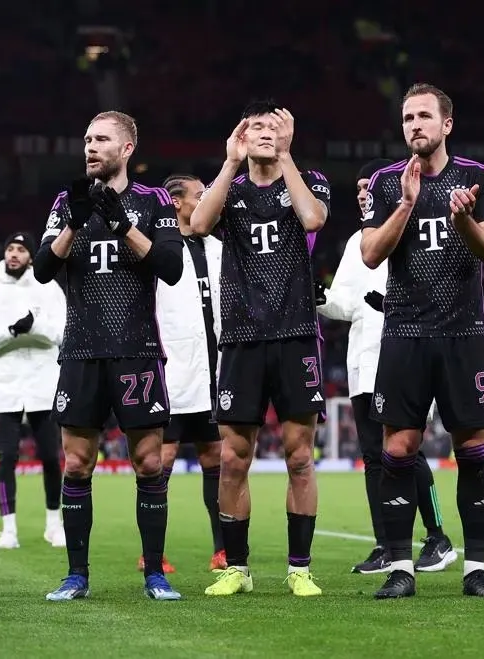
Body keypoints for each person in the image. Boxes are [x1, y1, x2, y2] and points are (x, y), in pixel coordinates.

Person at [359, 83, 484, 599]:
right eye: (407, 118)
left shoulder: (478, 178)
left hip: (463, 334)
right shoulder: (383, 182)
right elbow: (371, 255)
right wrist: (405, 205)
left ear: (447, 124)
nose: (414, 125)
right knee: (397, 448)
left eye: (424, 116)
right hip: (404, 332)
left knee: (472, 447)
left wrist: (463, 219)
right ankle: (402, 567)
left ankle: (476, 569)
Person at [34, 110, 185, 601]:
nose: (90, 147)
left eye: (101, 139)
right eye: (86, 139)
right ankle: (76, 576)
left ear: (126, 149)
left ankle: (154, 575)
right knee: (76, 464)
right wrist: (73, 225)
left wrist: (121, 224)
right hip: (81, 350)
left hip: (137, 352)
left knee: (147, 464)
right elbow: (41, 269)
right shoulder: (66, 202)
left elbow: (170, 267)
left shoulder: (154, 201)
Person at [191, 101, 329, 598]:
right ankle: (238, 568)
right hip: (242, 340)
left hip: (295, 336)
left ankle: (299, 568)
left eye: (275, 128)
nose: (266, 134)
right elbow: (200, 225)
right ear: (241, 138)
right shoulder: (231, 190)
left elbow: (313, 220)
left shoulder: (307, 180)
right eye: (257, 128)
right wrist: (229, 164)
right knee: (233, 457)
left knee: (299, 457)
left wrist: (288, 157)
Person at [316, 158, 456, 575]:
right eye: (359, 187)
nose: (363, 192)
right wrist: (318, 297)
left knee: (405, 451)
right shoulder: (355, 244)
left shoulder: (411, 227)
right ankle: (386, 545)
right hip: (362, 360)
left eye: (370, 186)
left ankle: (437, 537)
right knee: (374, 457)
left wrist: (391, 305)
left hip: (405, 354)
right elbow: (345, 303)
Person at [133, 174, 226, 575]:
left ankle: (222, 550)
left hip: (214, 370)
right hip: (171, 371)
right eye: (201, 195)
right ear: (175, 203)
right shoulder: (157, 251)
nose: (208, 202)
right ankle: (152, 553)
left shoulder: (220, 248)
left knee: (215, 456)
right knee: (160, 458)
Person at [0, 231, 67, 550]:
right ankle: (8, 528)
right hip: (6, 385)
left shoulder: (48, 287)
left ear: (31, 255)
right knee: (7, 457)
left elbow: (63, 333)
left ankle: (54, 524)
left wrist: (33, 326)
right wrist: (12, 331)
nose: (14, 254)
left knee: (51, 458)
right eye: (10, 248)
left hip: (43, 383)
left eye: (21, 250)